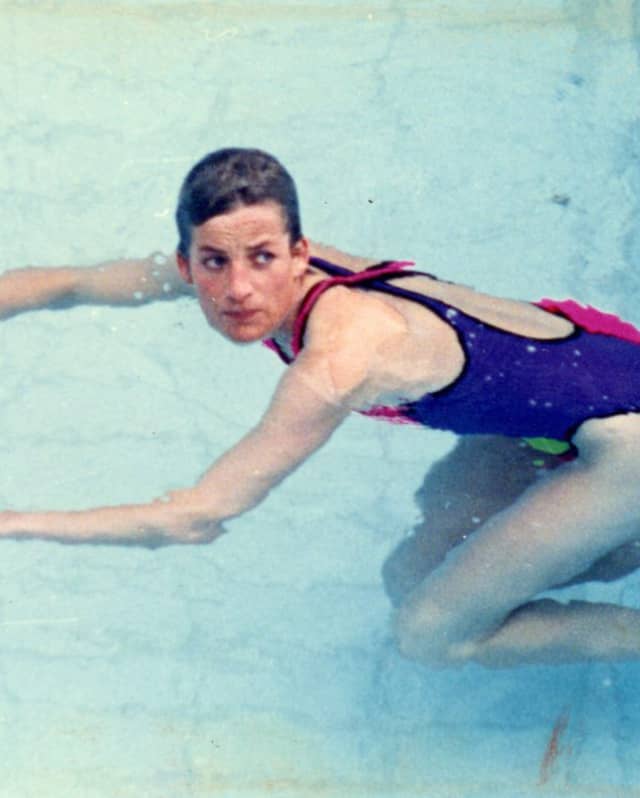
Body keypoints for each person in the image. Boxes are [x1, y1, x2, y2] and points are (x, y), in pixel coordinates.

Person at [1, 147, 640, 669]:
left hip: (622, 438)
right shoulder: (242, 257)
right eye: (214, 263)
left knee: (433, 635)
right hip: (579, 375)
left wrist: (12, 523)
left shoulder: (342, 357)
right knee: (411, 576)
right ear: (186, 263)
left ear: (300, 253)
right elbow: (67, 284)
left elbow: (195, 517)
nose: (238, 289)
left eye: (261, 259)